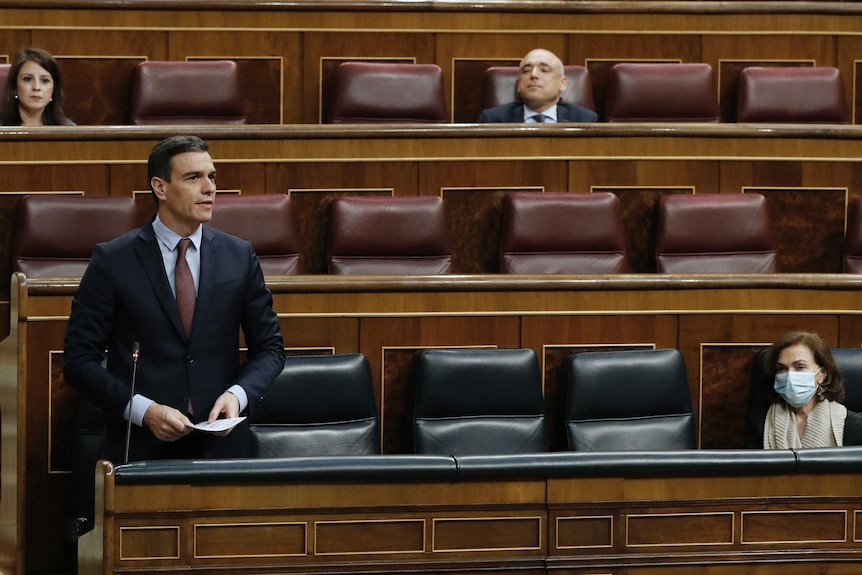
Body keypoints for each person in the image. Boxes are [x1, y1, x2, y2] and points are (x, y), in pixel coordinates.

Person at [63, 135, 284, 462]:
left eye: (212, 176)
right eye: (194, 177)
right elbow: (79, 360)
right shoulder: (113, 260)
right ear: (160, 187)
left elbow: (270, 348)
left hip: (223, 449)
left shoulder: (239, 256)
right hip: (140, 449)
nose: (209, 188)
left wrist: (237, 396)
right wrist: (144, 410)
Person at [747, 331, 862, 449]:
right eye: (781, 369)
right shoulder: (760, 422)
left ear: (822, 375)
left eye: (800, 367)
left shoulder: (853, 425)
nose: (790, 376)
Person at [478, 48, 597, 123]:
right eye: (526, 71)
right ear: (519, 84)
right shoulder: (494, 120)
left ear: (562, 83)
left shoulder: (584, 120)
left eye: (544, 70)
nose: (534, 75)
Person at [1, 47, 74, 126]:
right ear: (14, 87)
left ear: (53, 89)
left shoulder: (69, 130)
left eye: (45, 81)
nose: (36, 87)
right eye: (27, 79)